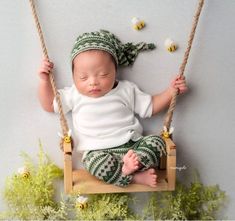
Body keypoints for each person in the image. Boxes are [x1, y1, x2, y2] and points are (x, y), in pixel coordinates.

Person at [38, 30, 187, 188]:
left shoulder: (126, 90)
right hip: (98, 153)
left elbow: (150, 106)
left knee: (158, 142)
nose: (93, 82)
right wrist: (44, 80)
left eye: (103, 75)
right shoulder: (73, 95)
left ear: (115, 71)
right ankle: (135, 177)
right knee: (95, 164)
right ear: (73, 76)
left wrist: (171, 91)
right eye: (83, 77)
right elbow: (49, 105)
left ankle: (130, 167)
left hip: (131, 148)